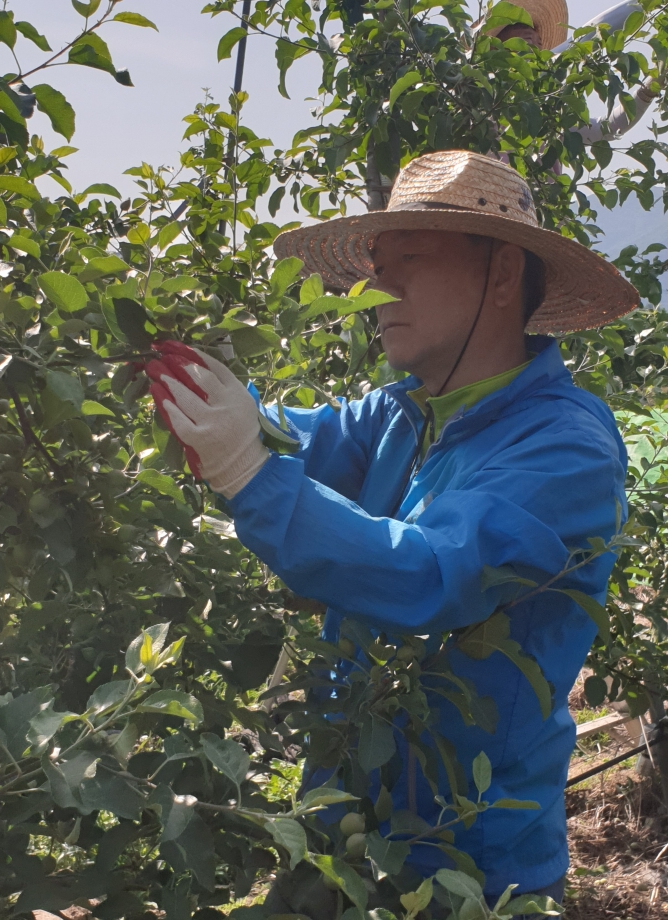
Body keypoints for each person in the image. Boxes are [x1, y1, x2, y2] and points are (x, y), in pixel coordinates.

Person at [145, 151, 637, 914]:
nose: (377, 289)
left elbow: (431, 574)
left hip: (470, 862)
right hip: (341, 823)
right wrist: (209, 399)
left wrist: (245, 466)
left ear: (502, 275)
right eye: (374, 266)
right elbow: (298, 442)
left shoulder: (565, 447)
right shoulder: (401, 410)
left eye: (409, 259)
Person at [486, 0, 662, 146]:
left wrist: (649, 88)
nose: (535, 49)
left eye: (538, 44)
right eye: (524, 41)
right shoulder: (477, 93)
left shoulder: (547, 115)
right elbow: (586, 38)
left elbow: (606, 128)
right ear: (496, 50)